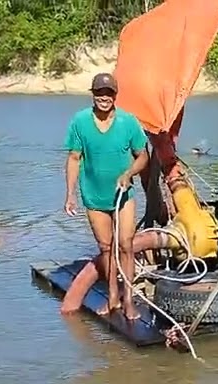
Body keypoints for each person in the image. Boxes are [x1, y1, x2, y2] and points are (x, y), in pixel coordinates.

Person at [63, 72, 151, 319]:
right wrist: (70, 195)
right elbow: (73, 158)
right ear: (93, 95)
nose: (104, 98)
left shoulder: (128, 122)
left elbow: (143, 156)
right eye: (99, 93)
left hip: (124, 194)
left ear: (115, 95)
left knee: (126, 245)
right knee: (105, 248)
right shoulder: (80, 121)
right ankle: (112, 297)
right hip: (94, 196)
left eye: (109, 93)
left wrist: (129, 172)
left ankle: (129, 299)